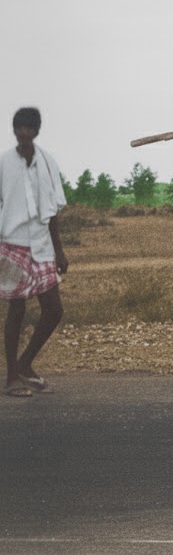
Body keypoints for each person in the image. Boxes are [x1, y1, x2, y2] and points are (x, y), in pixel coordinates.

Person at [1, 107, 67, 397]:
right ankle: (11, 378)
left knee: (54, 310)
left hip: (41, 244)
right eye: (20, 128)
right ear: (14, 130)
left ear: (36, 131)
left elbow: (52, 210)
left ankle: (25, 364)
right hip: (12, 243)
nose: (24, 133)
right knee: (17, 309)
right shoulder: (4, 163)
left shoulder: (47, 162)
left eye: (29, 128)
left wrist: (59, 251)